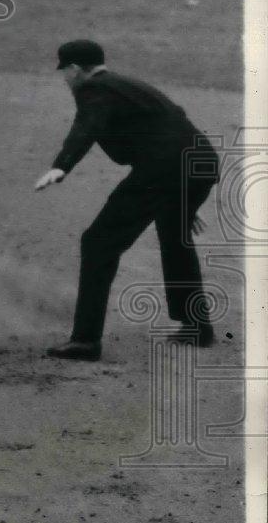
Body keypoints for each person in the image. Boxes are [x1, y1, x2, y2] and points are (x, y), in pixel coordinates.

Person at [35, 39, 220, 361]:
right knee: (175, 236)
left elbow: (86, 127)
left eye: (65, 71)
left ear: (76, 69)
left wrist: (60, 166)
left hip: (165, 169)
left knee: (98, 242)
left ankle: (85, 341)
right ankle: (197, 326)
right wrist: (184, 194)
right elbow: (176, 119)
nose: (65, 78)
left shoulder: (94, 90)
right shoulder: (127, 85)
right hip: (197, 163)